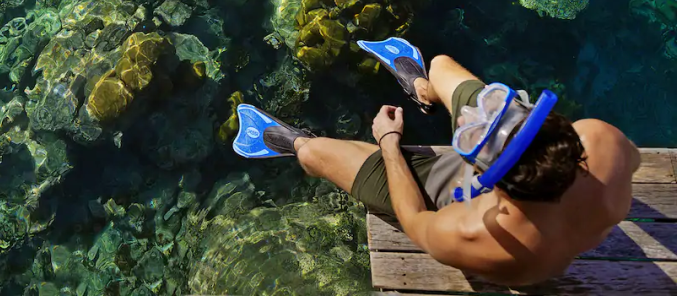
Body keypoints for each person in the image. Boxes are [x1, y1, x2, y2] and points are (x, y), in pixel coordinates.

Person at [232, 38, 640, 286]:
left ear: (489, 182)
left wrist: (389, 142)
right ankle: (423, 90)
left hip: (456, 194)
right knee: (442, 65)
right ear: (559, 132)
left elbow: (413, 218)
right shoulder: (602, 143)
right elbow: (631, 162)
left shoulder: (473, 233)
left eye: (471, 136)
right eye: (509, 108)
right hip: (527, 175)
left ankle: (293, 142)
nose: (468, 118)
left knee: (313, 154)